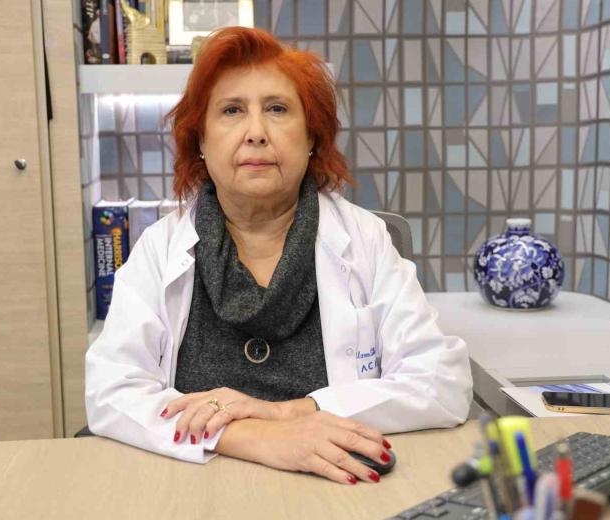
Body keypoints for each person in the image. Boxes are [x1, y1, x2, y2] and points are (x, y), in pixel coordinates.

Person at [85, 26, 473, 485]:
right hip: (194, 486)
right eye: (232, 110)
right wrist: (257, 437)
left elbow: (442, 382)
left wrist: (290, 412)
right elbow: (111, 391)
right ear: (201, 141)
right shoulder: (161, 248)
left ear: (312, 137)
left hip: (335, 486)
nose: (256, 133)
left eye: (277, 109)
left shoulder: (363, 238)